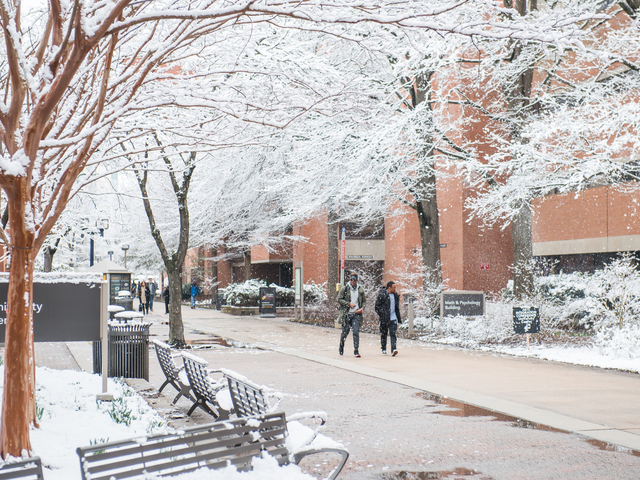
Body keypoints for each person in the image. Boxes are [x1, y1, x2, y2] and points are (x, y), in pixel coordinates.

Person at [337, 273, 366, 357]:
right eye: (351, 280)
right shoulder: (345, 288)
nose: (352, 282)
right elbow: (339, 299)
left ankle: (356, 350)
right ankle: (341, 345)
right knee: (345, 333)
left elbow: (364, 301)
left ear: (357, 281)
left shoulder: (360, 290)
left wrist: (361, 308)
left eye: (354, 280)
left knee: (356, 332)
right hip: (347, 314)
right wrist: (348, 304)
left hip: (356, 314)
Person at [375, 280, 402, 356]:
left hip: (393, 317)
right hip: (384, 318)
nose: (395, 289)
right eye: (394, 287)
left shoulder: (395, 295)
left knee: (393, 333)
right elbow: (377, 307)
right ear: (389, 288)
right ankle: (383, 348)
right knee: (384, 333)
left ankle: (394, 348)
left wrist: (398, 317)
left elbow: (396, 307)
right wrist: (383, 314)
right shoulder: (382, 295)